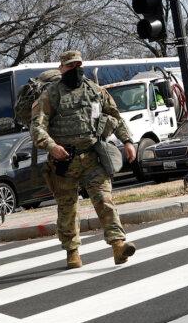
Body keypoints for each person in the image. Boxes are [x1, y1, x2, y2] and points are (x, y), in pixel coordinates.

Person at [31, 50, 137, 269]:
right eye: (70, 66)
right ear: (62, 69)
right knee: (67, 207)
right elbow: (37, 126)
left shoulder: (95, 91)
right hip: (64, 161)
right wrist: (52, 147)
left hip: (92, 157)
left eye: (78, 64)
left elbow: (114, 116)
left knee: (104, 200)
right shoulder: (51, 95)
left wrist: (127, 141)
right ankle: (72, 251)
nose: (75, 69)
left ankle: (118, 245)